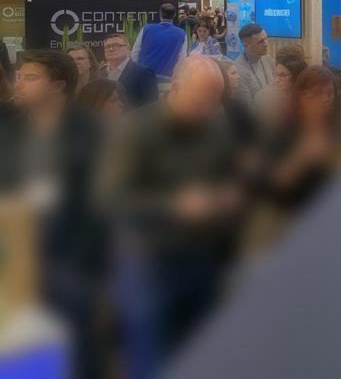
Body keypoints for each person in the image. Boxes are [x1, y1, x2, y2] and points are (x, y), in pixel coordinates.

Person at [98, 56, 242, 379]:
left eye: (214, 102)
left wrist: (229, 194)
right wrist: (172, 206)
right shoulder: (135, 128)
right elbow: (110, 198)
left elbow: (228, 175)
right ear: (174, 89)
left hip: (202, 256)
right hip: (147, 259)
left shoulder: (215, 128)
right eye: (201, 101)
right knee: (151, 354)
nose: (208, 110)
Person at [1, 51, 107, 379]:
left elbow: (103, 205)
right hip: (16, 251)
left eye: (31, 78)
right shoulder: (11, 130)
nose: (20, 83)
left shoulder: (92, 133)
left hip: (73, 256)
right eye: (20, 76)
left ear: (58, 86)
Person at [247, 66, 341, 250]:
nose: (324, 100)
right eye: (315, 94)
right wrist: (303, 156)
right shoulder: (283, 131)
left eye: (329, 94)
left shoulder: (335, 129)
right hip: (289, 219)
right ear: (300, 97)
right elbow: (274, 184)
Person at [132, 3, 187, 80]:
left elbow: (135, 52)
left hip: (144, 77)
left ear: (160, 14)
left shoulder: (146, 29)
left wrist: (136, 74)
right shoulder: (182, 33)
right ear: (174, 15)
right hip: (167, 78)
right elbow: (182, 59)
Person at [103, 32, 159, 106]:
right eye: (107, 46)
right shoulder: (100, 73)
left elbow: (151, 105)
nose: (111, 49)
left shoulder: (143, 72)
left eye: (116, 45)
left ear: (128, 48)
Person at [233, 23, 275, 105]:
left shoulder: (267, 58)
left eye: (266, 39)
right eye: (261, 42)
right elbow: (247, 109)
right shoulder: (239, 71)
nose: (266, 44)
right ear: (246, 45)